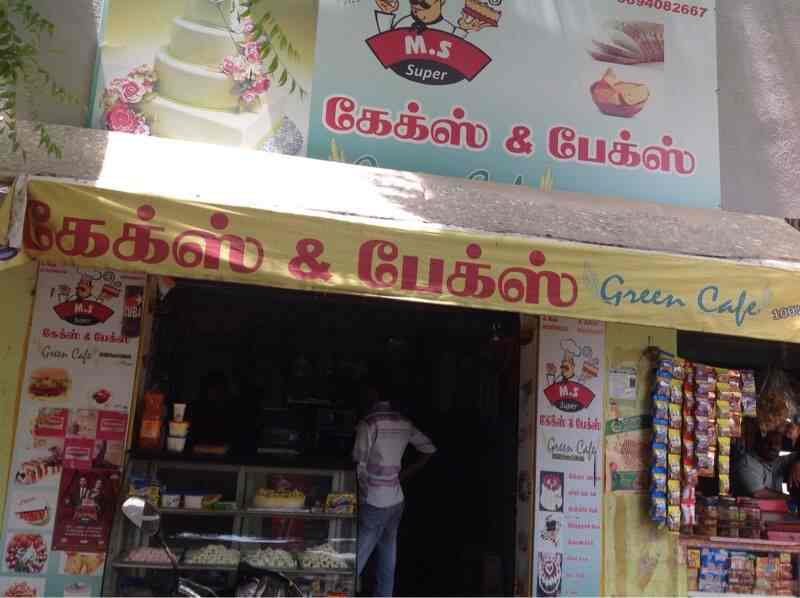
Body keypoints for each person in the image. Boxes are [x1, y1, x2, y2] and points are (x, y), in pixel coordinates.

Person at [353, 379, 436, 597]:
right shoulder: (404, 423)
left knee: (355, 562)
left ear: (372, 393)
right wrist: (405, 473)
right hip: (396, 501)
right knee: (387, 561)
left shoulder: (368, 424)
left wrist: (360, 499)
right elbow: (429, 448)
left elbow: (359, 469)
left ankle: (339, 592)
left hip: (374, 501)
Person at [733, 427, 800, 498]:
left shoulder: (778, 461)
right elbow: (759, 493)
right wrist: (790, 498)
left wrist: (797, 463)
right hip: (746, 505)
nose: (772, 446)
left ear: (781, 446)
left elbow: (797, 454)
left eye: (777, 443)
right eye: (768, 442)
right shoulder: (747, 462)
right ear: (759, 443)